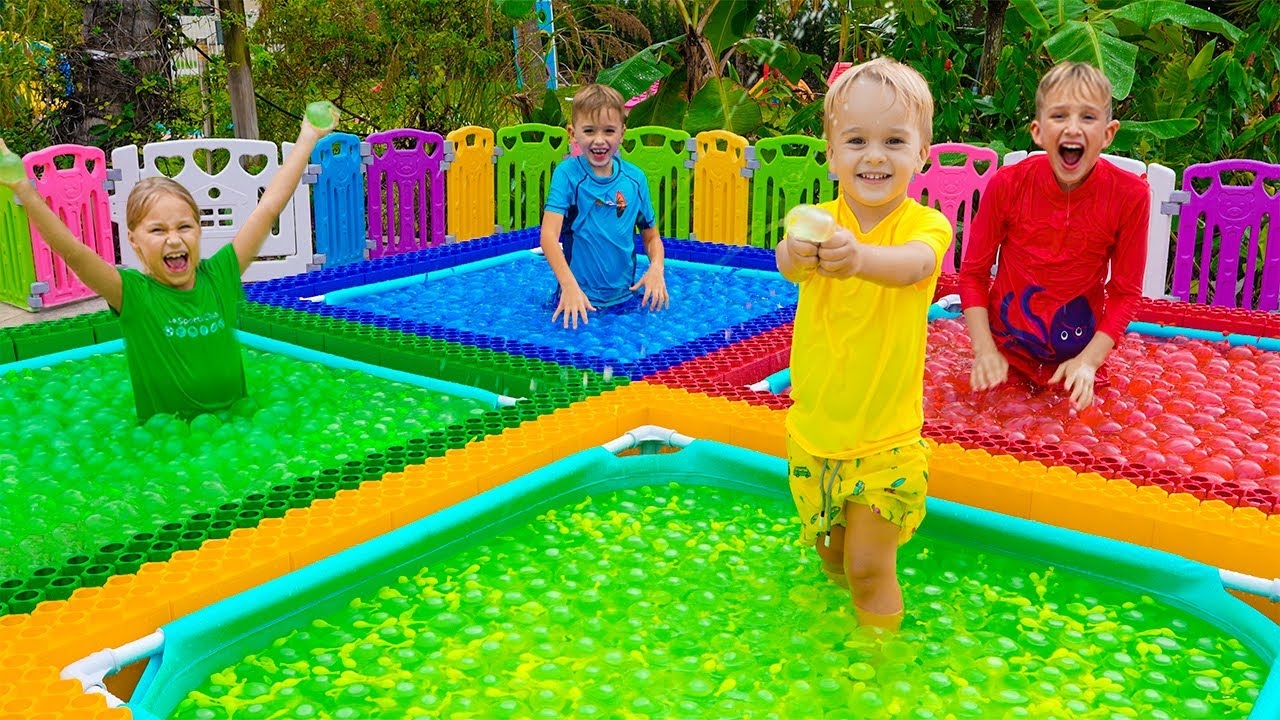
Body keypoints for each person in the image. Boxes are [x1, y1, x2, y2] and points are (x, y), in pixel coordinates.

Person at [0, 106, 338, 420]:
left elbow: (268, 208)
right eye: (157, 230)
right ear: (134, 240)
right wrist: (24, 190)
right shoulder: (133, 295)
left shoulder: (220, 274)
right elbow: (73, 252)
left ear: (199, 231)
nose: (173, 239)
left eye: (184, 227)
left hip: (235, 426)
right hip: (169, 437)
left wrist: (307, 137)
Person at [775, 58, 952, 631]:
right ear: (831, 155)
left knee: (869, 569)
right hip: (815, 432)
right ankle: (839, 641)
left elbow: (913, 266)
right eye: (857, 141)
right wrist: (794, 251)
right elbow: (786, 263)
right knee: (831, 556)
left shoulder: (924, 227)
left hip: (885, 441)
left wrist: (858, 259)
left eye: (893, 141)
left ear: (921, 154)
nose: (874, 156)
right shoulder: (816, 222)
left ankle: (879, 664)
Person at [959, 61, 1150, 411]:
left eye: (1088, 117)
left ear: (1108, 133)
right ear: (1038, 131)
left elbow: (1125, 293)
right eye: (1059, 116)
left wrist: (1089, 362)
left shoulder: (1130, 196)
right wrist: (984, 350)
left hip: (1078, 360)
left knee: (1089, 432)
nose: (1072, 128)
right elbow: (972, 274)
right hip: (1004, 358)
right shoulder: (1008, 185)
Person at [539, 83, 668, 328]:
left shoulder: (635, 179)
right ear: (573, 133)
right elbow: (548, 236)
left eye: (609, 131)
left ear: (622, 133)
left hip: (624, 301)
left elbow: (651, 237)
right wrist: (569, 287)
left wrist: (656, 268)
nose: (599, 140)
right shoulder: (568, 175)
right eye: (589, 131)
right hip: (575, 300)